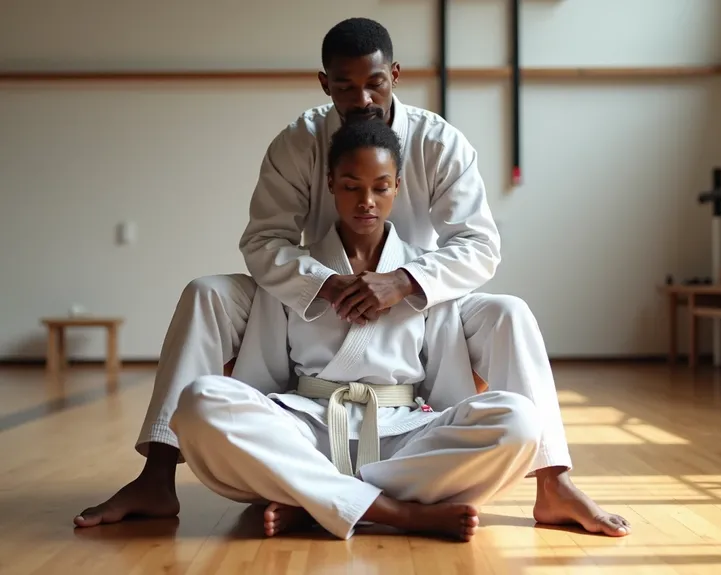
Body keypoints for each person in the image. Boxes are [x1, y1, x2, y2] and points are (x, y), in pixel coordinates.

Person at [73, 17, 631, 538]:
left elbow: (480, 246)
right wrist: (320, 283)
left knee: (510, 322)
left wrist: (406, 281)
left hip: (421, 297)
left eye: (374, 84)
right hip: (309, 296)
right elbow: (263, 241)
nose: (361, 99)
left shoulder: (438, 143)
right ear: (324, 85)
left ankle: (545, 484)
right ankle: (161, 476)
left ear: (395, 75)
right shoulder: (299, 143)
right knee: (206, 298)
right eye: (344, 87)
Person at [168, 118, 541, 541]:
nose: (366, 200)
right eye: (351, 186)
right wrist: (262, 423)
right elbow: (262, 376)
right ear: (329, 184)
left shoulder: (425, 273)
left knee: (521, 421)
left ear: (398, 186)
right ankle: (394, 511)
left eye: (380, 187)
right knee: (201, 401)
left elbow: (445, 386)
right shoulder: (294, 272)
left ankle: (311, 499)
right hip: (306, 432)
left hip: (402, 436)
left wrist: (446, 426)